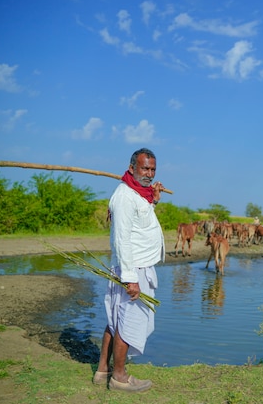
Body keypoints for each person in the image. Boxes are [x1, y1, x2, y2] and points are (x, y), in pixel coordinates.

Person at [93, 148, 165, 392]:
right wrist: (131, 279)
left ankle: (103, 370)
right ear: (132, 167)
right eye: (145, 168)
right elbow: (122, 240)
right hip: (133, 268)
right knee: (127, 322)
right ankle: (120, 377)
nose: (149, 173)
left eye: (153, 169)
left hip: (133, 267)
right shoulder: (124, 196)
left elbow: (140, 225)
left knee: (115, 321)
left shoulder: (138, 194)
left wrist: (152, 200)